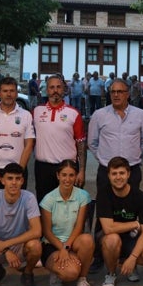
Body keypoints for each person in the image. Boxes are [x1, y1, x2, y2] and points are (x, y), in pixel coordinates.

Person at [96, 157, 143, 286]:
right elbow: (108, 228)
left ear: (128, 174)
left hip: (130, 238)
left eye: (122, 173)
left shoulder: (140, 196)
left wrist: (133, 258)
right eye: (114, 173)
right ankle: (111, 273)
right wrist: (134, 224)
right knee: (112, 239)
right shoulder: (103, 194)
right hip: (108, 237)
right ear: (108, 176)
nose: (118, 177)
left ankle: (128, 263)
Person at [40, 160, 94, 286]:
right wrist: (61, 248)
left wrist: (66, 248)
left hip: (72, 241)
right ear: (58, 175)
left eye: (71, 175)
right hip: (52, 243)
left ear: (76, 176)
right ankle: (56, 271)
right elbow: (47, 231)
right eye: (64, 175)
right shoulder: (48, 199)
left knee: (87, 240)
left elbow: (79, 226)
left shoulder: (83, 196)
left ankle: (82, 280)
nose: (67, 179)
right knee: (70, 273)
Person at [88, 78, 143, 192]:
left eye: (120, 91)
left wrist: (135, 156)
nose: (116, 95)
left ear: (128, 94)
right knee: (105, 207)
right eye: (113, 92)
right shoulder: (99, 115)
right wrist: (103, 158)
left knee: (131, 208)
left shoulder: (140, 115)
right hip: (106, 171)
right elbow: (92, 142)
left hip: (132, 170)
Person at [32, 74, 87, 204]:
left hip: (67, 168)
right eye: (51, 87)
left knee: (68, 205)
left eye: (58, 87)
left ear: (64, 90)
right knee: (44, 204)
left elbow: (81, 143)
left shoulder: (74, 113)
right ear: (46, 90)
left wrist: (82, 171)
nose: (55, 90)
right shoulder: (36, 111)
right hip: (42, 168)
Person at [0, 76, 34, 193]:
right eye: (5, 91)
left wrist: (19, 172)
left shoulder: (26, 115)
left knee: (17, 210)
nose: (9, 94)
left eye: (12, 91)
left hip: (17, 170)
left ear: (17, 93)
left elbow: (29, 145)